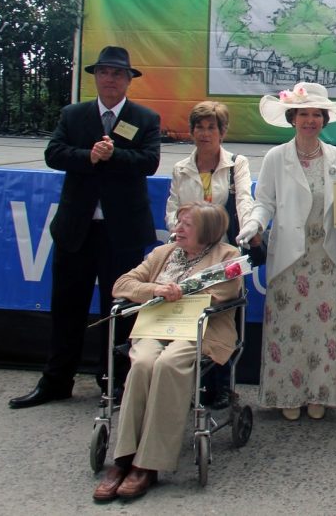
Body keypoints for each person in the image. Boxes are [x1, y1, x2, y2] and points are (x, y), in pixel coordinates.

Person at [9, 46, 161, 409]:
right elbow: (53, 153)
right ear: (96, 77)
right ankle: (57, 380)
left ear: (128, 80)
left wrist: (114, 156)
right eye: (105, 72)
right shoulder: (74, 115)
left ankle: (117, 381)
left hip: (120, 231)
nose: (111, 79)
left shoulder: (144, 117)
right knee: (67, 306)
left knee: (121, 308)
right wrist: (88, 157)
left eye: (118, 74)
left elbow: (149, 162)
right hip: (77, 229)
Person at [91, 202, 242, 501]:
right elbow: (122, 284)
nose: (178, 227)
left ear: (207, 231)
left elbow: (225, 293)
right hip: (155, 327)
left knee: (169, 364)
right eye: (179, 222)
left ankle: (147, 465)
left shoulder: (227, 256)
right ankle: (124, 459)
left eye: (187, 223)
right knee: (144, 362)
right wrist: (155, 290)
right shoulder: (163, 253)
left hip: (200, 331)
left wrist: (180, 291)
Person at [236, 82, 336, 421]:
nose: (310, 120)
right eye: (304, 113)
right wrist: (254, 225)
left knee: (322, 331)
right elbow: (265, 203)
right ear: (292, 117)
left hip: (326, 258)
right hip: (289, 257)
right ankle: (287, 393)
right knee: (287, 329)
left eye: (317, 114)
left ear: (325, 119)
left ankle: (320, 392)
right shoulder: (276, 157)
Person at [166, 100, 260, 409]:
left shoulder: (237, 164)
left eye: (211, 128)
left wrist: (249, 227)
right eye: (199, 127)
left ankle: (221, 386)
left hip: (224, 255)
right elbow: (172, 212)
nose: (205, 134)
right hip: (189, 256)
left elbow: (245, 200)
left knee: (222, 319)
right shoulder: (181, 169)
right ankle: (184, 384)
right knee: (188, 319)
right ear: (192, 131)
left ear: (222, 131)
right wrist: (182, 231)